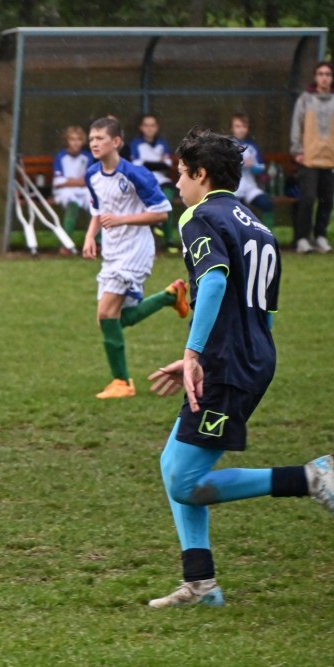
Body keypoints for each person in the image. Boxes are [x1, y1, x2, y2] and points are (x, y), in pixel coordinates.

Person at [146, 127, 334, 609]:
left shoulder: (199, 216)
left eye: (181, 174)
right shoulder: (258, 226)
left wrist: (196, 353)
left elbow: (212, 282)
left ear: (201, 174)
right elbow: (263, 311)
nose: (177, 184)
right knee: (173, 466)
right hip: (250, 356)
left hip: (227, 363)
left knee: (184, 481)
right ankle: (200, 584)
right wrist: (211, 353)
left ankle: (312, 477)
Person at [82, 116, 187, 400]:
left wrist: (122, 219)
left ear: (116, 142)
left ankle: (122, 383)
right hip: (112, 252)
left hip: (135, 250)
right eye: (91, 139)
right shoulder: (91, 175)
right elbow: (97, 210)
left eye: (100, 138)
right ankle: (170, 296)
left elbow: (161, 213)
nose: (94, 143)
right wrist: (90, 236)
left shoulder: (135, 174)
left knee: (107, 314)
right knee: (111, 319)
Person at [290, 61, 334, 254]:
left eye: (327, 74)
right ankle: (302, 238)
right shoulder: (305, 99)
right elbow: (296, 125)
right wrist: (297, 151)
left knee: (327, 200)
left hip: (330, 160)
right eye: (321, 74)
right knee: (308, 199)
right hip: (308, 159)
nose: (324, 77)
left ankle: (321, 236)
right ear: (316, 77)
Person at [129, 114, 179, 250]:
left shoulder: (162, 143)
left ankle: (168, 240)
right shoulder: (136, 143)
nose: (149, 128)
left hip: (163, 181)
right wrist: (158, 163)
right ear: (141, 127)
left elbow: (168, 164)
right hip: (144, 182)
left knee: (166, 201)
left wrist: (148, 163)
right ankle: (151, 233)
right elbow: (137, 164)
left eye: (152, 125)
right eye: (146, 125)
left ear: (157, 127)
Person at [230, 112, 275, 230]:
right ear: (232, 128)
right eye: (237, 126)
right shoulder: (227, 146)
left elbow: (260, 168)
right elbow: (224, 167)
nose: (241, 130)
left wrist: (252, 166)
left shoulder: (252, 146)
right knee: (237, 211)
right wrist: (242, 164)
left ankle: (268, 236)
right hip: (233, 188)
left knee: (267, 204)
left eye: (244, 126)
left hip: (250, 187)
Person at [52, 125, 94, 237]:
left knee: (95, 203)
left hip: (83, 190)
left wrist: (69, 180)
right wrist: (78, 181)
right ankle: (67, 240)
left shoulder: (87, 157)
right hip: (65, 191)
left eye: (78, 139)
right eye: (72, 139)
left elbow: (88, 180)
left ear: (83, 141)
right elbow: (58, 182)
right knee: (72, 203)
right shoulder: (60, 156)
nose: (75, 143)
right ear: (67, 140)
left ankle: (97, 240)